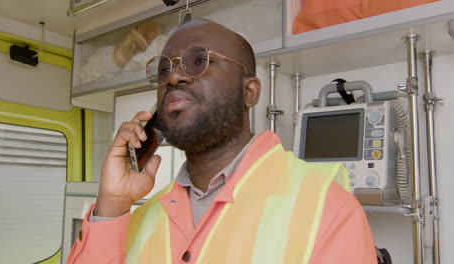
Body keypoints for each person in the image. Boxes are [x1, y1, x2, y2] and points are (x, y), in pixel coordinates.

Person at [67, 19, 377, 264]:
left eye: (198, 60)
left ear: (249, 92)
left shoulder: (328, 210)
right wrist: (112, 205)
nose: (174, 77)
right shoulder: (139, 217)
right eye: (164, 69)